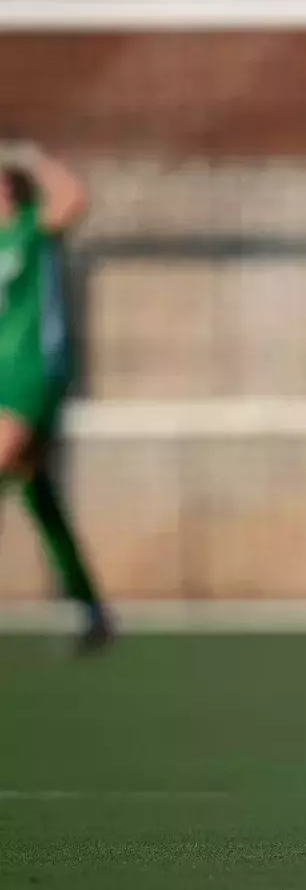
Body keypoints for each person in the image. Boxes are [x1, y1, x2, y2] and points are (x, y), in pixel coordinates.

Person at [0, 143, 112, 653]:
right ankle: (91, 611)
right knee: (37, 492)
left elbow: (74, 198)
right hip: (3, 378)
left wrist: (32, 156)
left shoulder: (32, 228)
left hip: (34, 375)